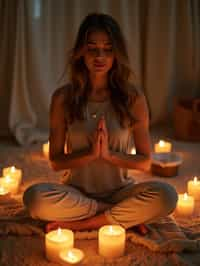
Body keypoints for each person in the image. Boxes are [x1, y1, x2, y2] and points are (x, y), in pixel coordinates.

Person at [23, 13, 178, 233]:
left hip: (120, 191)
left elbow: (144, 162)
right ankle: (115, 214)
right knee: (35, 199)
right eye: (92, 48)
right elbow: (56, 162)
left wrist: (108, 156)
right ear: (81, 52)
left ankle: (86, 223)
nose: (100, 56)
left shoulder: (133, 98)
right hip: (76, 193)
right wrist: (90, 154)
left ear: (116, 54)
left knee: (167, 196)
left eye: (108, 49)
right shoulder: (62, 98)